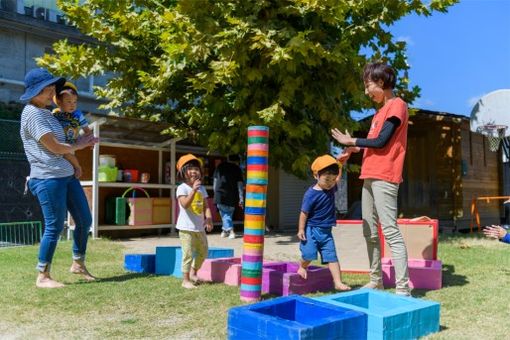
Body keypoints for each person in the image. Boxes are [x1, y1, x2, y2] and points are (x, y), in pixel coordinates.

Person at [331, 61, 411, 296]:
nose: (366, 92)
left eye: (368, 86)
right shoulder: (377, 115)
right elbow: (373, 145)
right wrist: (353, 150)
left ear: (382, 82)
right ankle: (375, 280)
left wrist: (352, 141)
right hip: (369, 175)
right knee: (369, 230)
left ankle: (403, 288)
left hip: (385, 176)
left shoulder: (397, 106)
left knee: (390, 230)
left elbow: (381, 142)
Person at [19, 68, 98, 288]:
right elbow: (53, 146)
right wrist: (81, 144)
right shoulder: (32, 113)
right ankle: (43, 275)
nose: (52, 91)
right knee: (54, 226)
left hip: (66, 175)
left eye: (53, 87)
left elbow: (63, 148)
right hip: (47, 178)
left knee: (84, 220)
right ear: (34, 92)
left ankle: (78, 264)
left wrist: (76, 164)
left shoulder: (48, 113)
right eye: (47, 88)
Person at [296, 155, 351, 291]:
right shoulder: (311, 194)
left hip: (326, 231)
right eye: (327, 179)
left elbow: (338, 176)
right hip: (311, 229)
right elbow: (304, 213)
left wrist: (341, 162)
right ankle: (302, 266)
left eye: (332, 180)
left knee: (332, 257)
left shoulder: (331, 188)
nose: (330, 183)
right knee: (309, 254)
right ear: (316, 176)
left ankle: (338, 282)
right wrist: (301, 229)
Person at [176, 154, 213, 289]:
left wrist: (208, 218)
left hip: (199, 228)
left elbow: (206, 206)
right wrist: (193, 190)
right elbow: (185, 204)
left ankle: (193, 273)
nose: (194, 171)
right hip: (186, 229)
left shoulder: (202, 189)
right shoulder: (182, 188)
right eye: (190, 168)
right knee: (188, 253)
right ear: (183, 172)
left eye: (196, 169)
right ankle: (185, 280)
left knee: (203, 252)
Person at [52, 81, 92, 178]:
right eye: (68, 101)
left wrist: (91, 140)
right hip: (57, 143)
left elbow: (87, 129)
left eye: (75, 102)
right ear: (59, 102)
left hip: (71, 144)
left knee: (67, 155)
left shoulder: (77, 115)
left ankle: (77, 167)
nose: (72, 105)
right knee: (63, 159)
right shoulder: (55, 114)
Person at [213, 156, 244, 239]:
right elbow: (240, 185)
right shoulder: (237, 169)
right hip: (232, 195)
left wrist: (215, 193)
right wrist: (241, 198)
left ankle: (227, 231)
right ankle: (228, 231)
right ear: (237, 161)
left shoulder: (220, 166)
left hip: (219, 194)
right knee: (228, 213)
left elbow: (215, 181)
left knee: (224, 214)